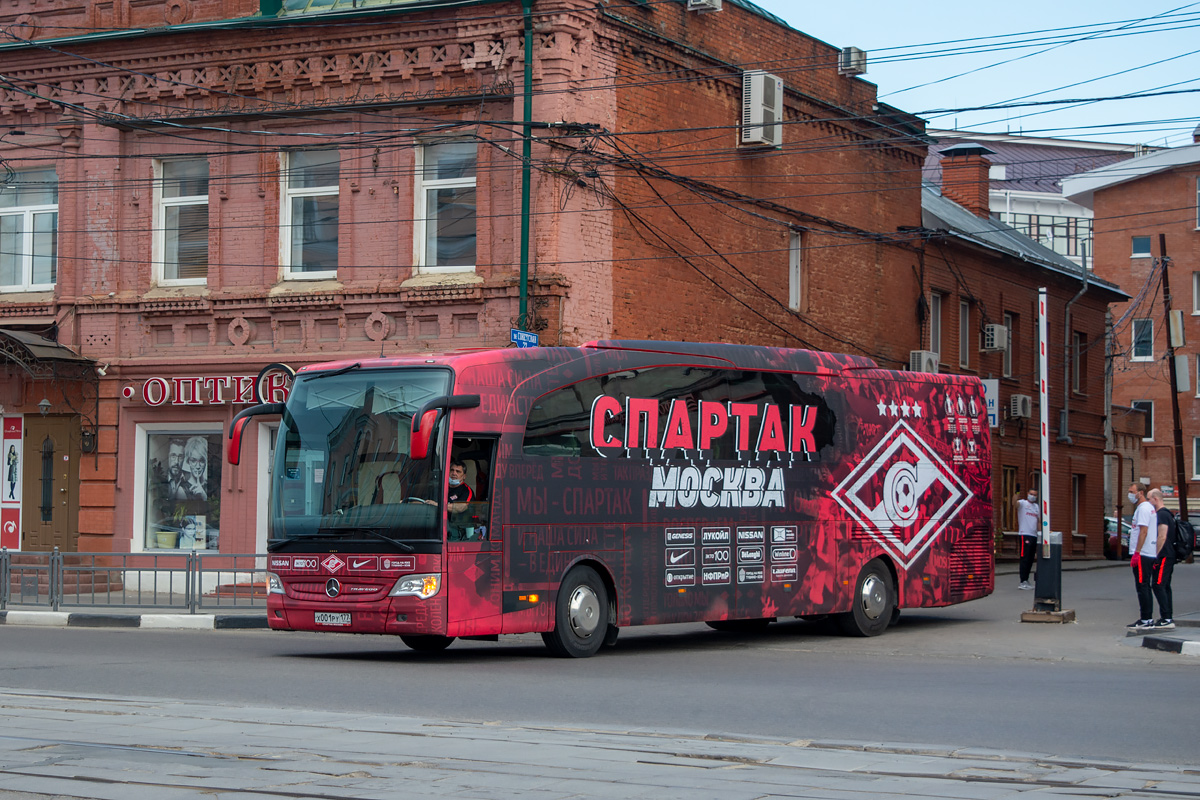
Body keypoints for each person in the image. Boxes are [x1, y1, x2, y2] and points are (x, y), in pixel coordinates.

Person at [1127, 482, 1159, 632]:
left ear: (1140, 492)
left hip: (1143, 553)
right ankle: (1146, 618)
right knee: (1143, 585)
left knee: (1142, 585)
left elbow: (1143, 531)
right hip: (1145, 553)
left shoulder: (1144, 508)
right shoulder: (1145, 508)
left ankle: (1146, 618)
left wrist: (1137, 552)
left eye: (1132, 491)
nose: (1130, 494)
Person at [1147, 489, 1175, 631]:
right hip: (1168, 555)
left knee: (1158, 585)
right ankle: (1167, 616)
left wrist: (1155, 555)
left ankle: (1166, 618)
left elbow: (1162, 536)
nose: (1148, 502)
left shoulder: (1162, 515)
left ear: (1156, 499)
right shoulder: (1167, 514)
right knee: (1164, 586)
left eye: (1149, 499)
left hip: (1163, 555)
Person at [1014, 486, 1039, 590]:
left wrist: (1041, 533)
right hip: (1025, 534)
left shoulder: (1036, 507)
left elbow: (1038, 521)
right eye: (1031, 494)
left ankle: (1026, 580)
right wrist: (1016, 493)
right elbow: (1014, 504)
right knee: (1024, 558)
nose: (1032, 496)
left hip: (1034, 535)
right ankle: (1022, 581)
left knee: (1030, 559)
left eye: (1034, 495)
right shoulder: (1023, 503)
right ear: (1028, 493)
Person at [181, 436, 209, 501]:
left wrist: (204, 496)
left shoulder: (209, 485)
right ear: (188, 461)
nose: (198, 466)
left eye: (201, 461)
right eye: (193, 461)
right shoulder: (182, 489)